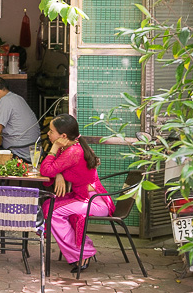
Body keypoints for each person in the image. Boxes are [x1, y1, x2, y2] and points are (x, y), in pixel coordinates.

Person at [39, 114, 115, 273]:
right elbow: (54, 169)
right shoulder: (70, 148)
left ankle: (83, 253)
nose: (48, 134)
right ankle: (81, 248)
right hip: (84, 198)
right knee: (48, 204)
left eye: (51, 131)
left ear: (63, 136)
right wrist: (58, 174)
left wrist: (53, 149)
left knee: (51, 211)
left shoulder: (72, 151)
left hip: (94, 202)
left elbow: (46, 170)